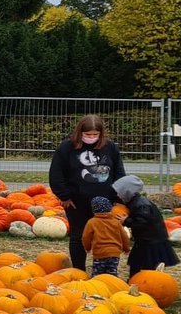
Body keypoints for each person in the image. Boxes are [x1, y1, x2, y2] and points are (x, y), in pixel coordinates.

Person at [48, 114, 125, 272]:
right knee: (78, 235)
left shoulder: (110, 147)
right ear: (80, 132)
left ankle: (103, 270)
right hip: (77, 201)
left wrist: (118, 197)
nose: (91, 137)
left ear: (101, 134)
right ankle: (79, 270)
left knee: (104, 235)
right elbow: (56, 173)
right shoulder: (67, 147)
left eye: (95, 135)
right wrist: (64, 196)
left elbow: (119, 172)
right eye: (87, 134)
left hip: (105, 201)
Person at [113, 175, 178, 277]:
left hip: (151, 241)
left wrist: (127, 221)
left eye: (120, 192)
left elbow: (142, 222)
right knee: (136, 263)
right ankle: (134, 280)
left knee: (148, 264)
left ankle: (145, 283)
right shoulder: (135, 202)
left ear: (127, 192)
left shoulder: (142, 205)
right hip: (144, 240)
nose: (118, 195)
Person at [81, 196, 128, 279]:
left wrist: (87, 248)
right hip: (114, 253)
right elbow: (124, 236)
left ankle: (98, 287)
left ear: (93, 210)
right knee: (111, 274)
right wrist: (126, 248)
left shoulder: (92, 222)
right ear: (110, 209)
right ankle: (111, 286)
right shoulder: (116, 222)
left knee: (97, 274)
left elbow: (85, 237)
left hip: (100, 253)